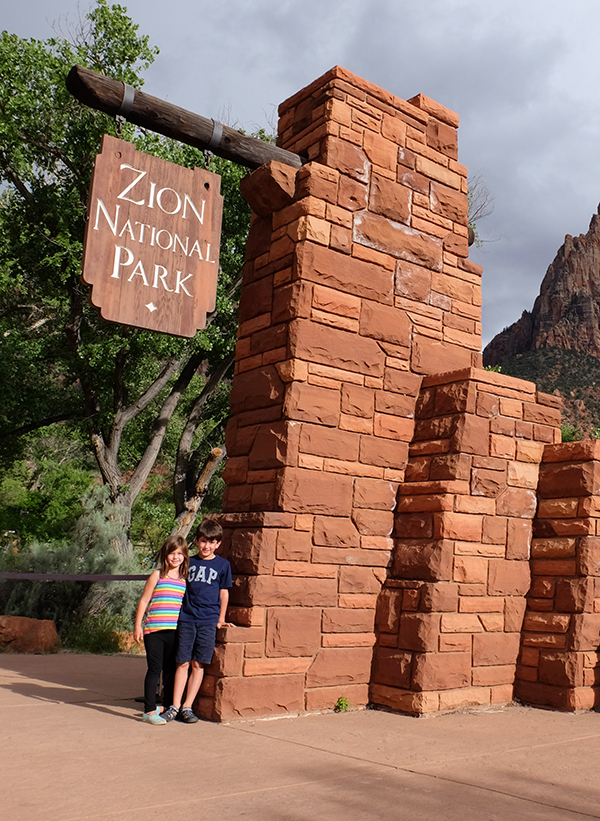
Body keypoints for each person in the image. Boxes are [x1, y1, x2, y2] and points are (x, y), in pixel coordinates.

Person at [162, 519, 232, 724]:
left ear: (218, 544)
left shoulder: (223, 565)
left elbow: (224, 593)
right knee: (182, 662)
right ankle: (174, 706)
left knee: (198, 664)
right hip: (186, 618)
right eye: (203, 541)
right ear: (196, 541)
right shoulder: (188, 562)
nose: (206, 546)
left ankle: (187, 707)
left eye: (211, 542)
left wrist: (221, 618)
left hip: (208, 620)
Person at [134, 534, 189, 725]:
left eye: (180, 554)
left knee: (170, 671)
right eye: (172, 553)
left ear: (185, 556)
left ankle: (166, 707)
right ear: (166, 554)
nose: (175, 557)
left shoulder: (184, 579)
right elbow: (144, 600)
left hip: (174, 631)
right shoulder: (157, 575)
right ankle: (149, 711)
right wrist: (138, 626)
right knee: (154, 670)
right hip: (154, 631)